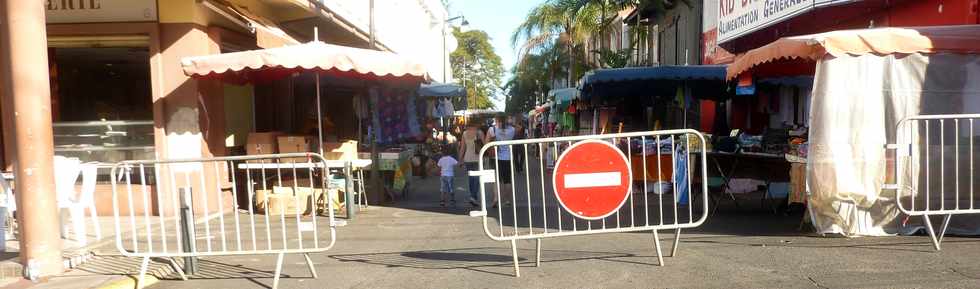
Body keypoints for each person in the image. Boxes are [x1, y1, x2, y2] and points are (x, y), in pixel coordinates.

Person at [485, 115, 515, 208]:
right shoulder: (512, 130)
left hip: (495, 157)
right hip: (508, 157)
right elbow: (519, 128)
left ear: (496, 119)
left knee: (496, 179)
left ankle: (496, 198)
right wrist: (510, 123)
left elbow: (486, 142)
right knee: (507, 180)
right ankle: (507, 200)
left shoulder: (492, 129)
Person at [459, 123, 485, 207]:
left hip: (467, 158)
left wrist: (460, 159)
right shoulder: (479, 133)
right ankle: (473, 197)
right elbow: (485, 145)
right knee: (477, 178)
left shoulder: (465, 133)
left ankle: (472, 196)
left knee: (471, 178)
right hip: (478, 158)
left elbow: (462, 148)